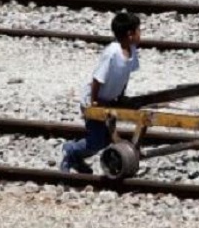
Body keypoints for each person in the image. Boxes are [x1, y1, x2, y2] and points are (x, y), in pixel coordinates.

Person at [60, 11, 142, 173]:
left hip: (108, 101)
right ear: (130, 34)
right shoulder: (112, 52)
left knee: (104, 140)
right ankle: (70, 151)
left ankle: (76, 159)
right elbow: (97, 79)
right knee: (96, 142)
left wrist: (121, 96)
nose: (141, 34)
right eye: (139, 30)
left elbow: (125, 75)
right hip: (93, 99)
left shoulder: (132, 52)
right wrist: (94, 103)